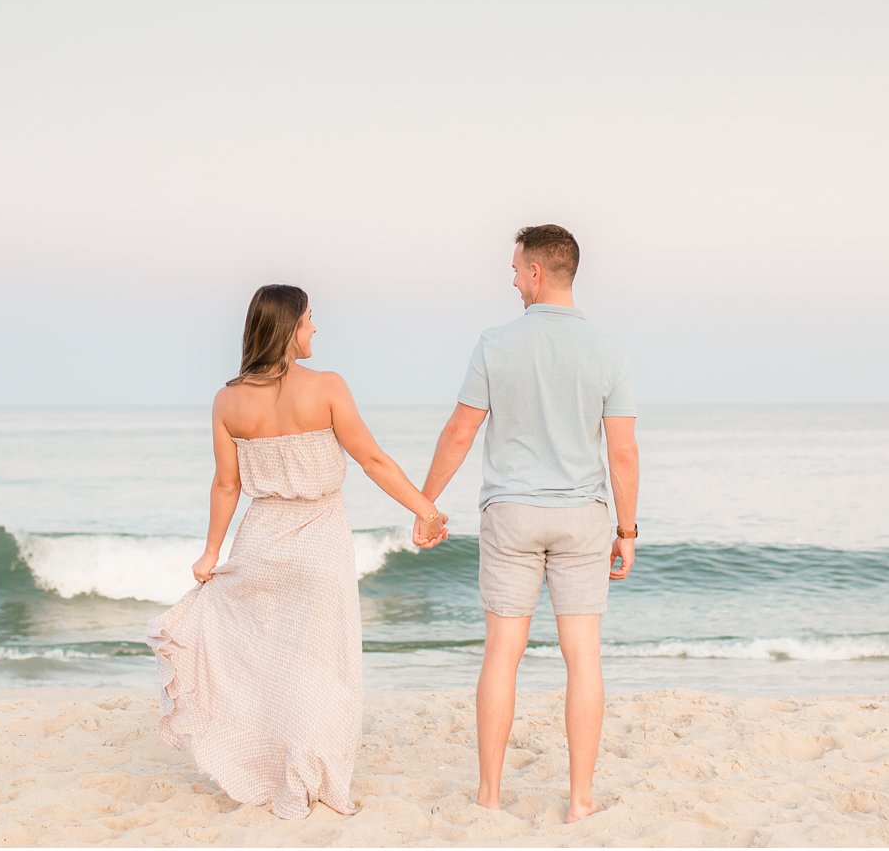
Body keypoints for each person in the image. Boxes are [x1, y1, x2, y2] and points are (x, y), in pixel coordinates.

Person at [145, 284, 448, 820]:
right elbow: (373, 460)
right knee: (323, 666)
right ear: (288, 328)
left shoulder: (227, 399)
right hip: (320, 539)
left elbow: (225, 485)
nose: (315, 329)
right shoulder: (328, 387)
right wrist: (425, 509)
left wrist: (210, 553)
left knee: (269, 665)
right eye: (310, 319)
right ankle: (312, 775)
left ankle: (271, 764)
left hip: (260, 541)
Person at [419, 223, 639, 822]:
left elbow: (460, 431)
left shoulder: (495, 342)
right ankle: (579, 801)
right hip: (581, 516)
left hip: (512, 514)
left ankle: (489, 797)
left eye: (517, 268)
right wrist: (628, 530)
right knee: (583, 658)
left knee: (502, 654)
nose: (513, 278)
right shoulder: (610, 350)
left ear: (538, 272)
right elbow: (622, 452)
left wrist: (426, 502)